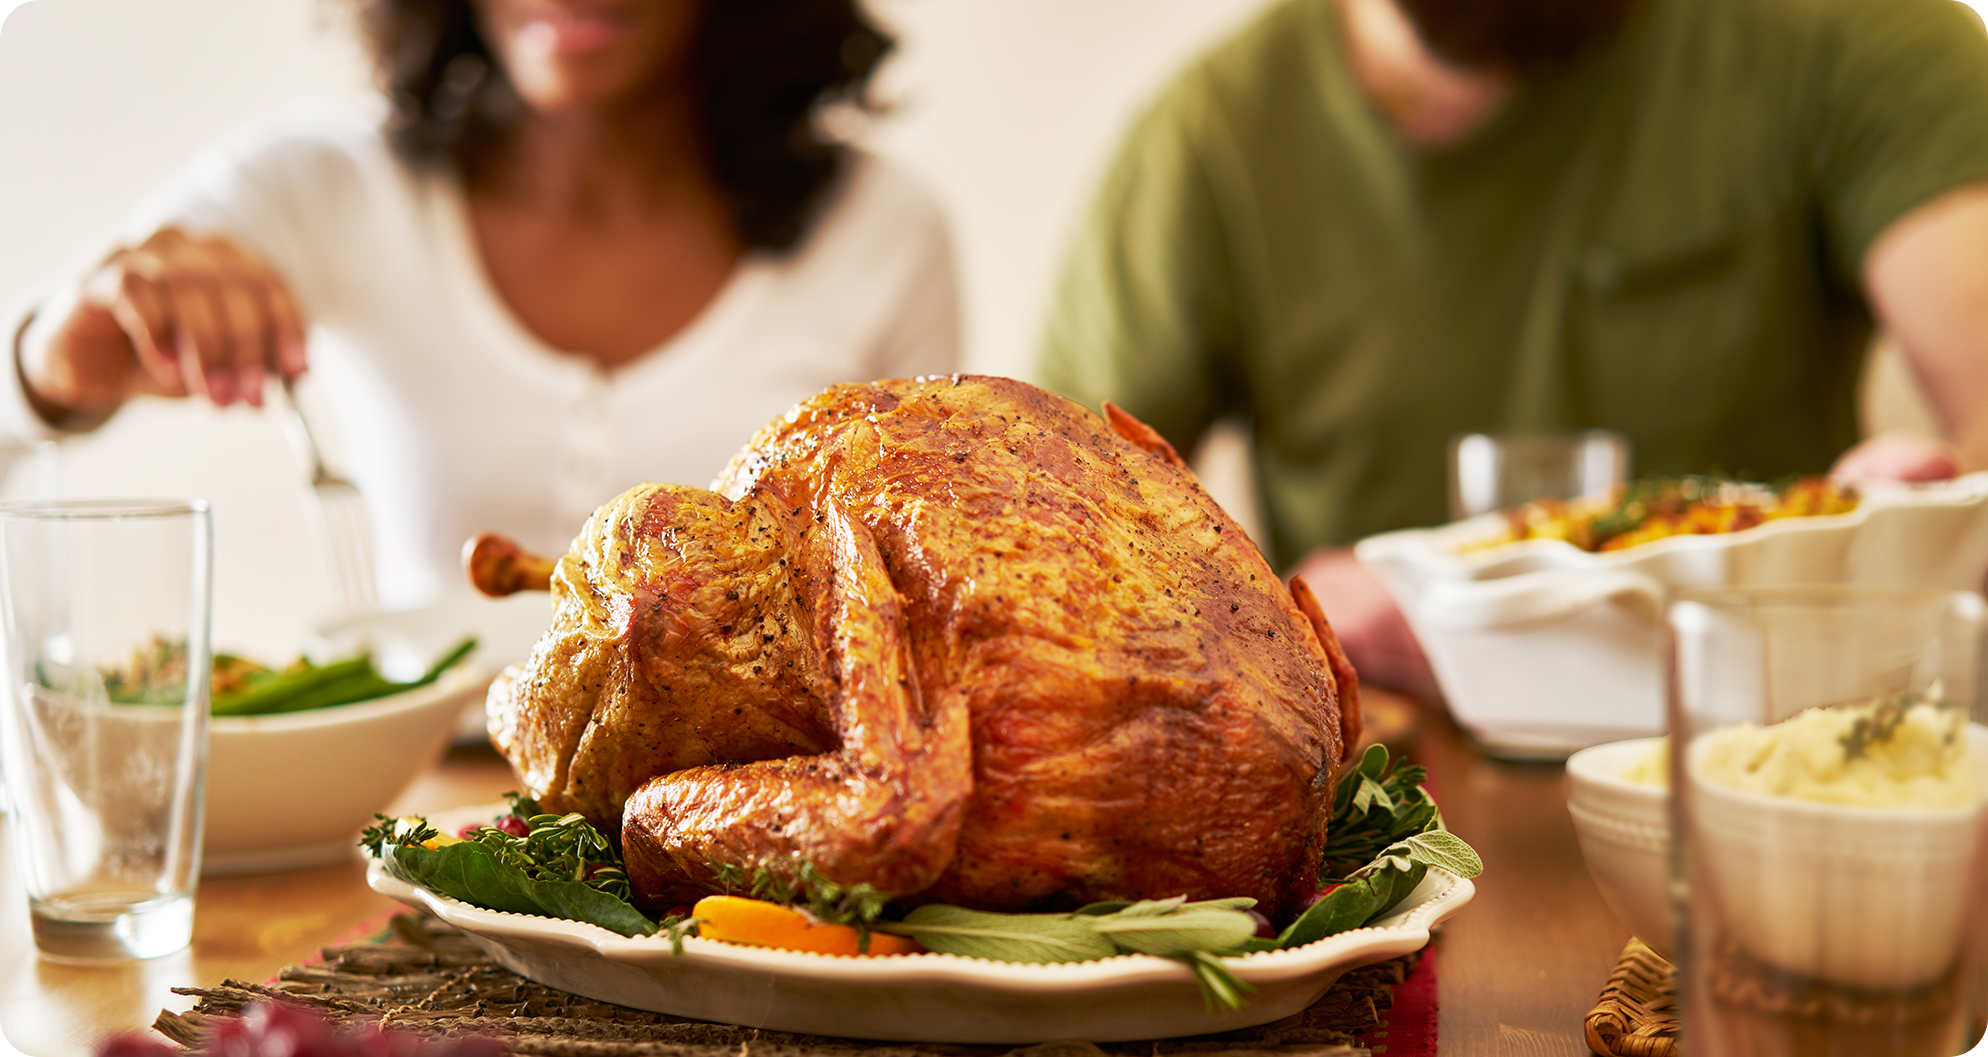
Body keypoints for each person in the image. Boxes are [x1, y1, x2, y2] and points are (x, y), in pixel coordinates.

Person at [1035, 0, 1988, 694]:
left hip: (1769, 747)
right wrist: (1270, 617)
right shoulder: (1206, 142)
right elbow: (1059, 555)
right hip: (1392, 815)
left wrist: (1911, 536)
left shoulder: (1851, 36)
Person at [3, 0, 960, 607]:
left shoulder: (883, 230)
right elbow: (42, 384)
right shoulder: (331, 184)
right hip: (414, 835)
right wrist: (52, 367)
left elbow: (918, 600)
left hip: (731, 863)